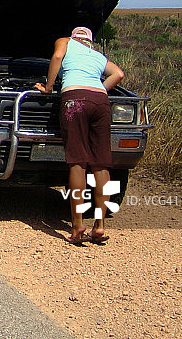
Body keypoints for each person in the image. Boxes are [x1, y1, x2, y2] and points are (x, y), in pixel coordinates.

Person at [34, 26, 124, 244]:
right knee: (101, 163)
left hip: (74, 99)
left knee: (78, 161)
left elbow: (57, 56)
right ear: (90, 41)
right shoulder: (97, 55)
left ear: (73, 37)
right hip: (100, 101)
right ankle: (100, 226)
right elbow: (119, 74)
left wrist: (48, 87)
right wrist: (98, 88)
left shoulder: (64, 41)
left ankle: (77, 226)